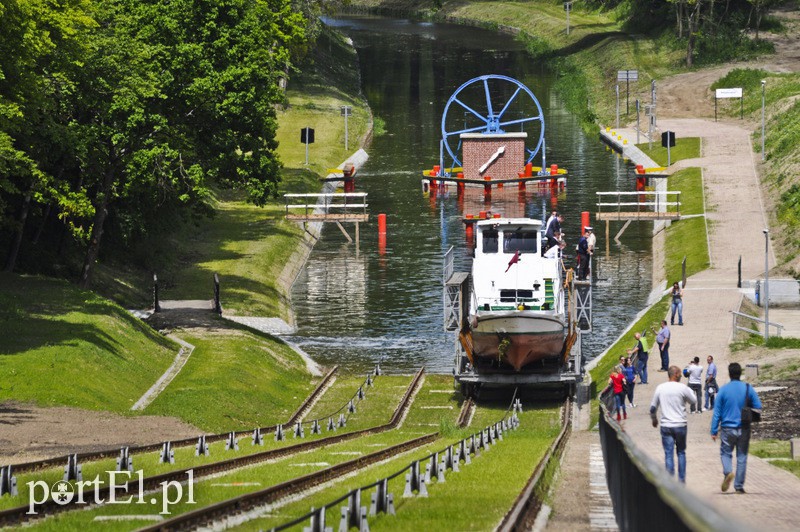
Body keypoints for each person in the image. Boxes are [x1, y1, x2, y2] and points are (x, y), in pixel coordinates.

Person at [711, 362, 763, 494]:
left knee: (725, 452)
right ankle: (739, 486)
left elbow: (717, 412)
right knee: (742, 455)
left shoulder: (723, 390)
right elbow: (758, 406)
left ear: (729, 374)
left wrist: (713, 430)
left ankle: (728, 472)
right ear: (740, 373)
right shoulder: (747, 388)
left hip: (727, 427)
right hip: (744, 427)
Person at [650, 365, 697, 483]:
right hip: (680, 425)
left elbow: (652, 407)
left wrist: (654, 419)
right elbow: (693, 401)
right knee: (681, 452)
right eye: (680, 374)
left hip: (666, 426)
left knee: (668, 453)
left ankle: (670, 483)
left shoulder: (660, 388)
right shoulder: (683, 388)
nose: (681, 375)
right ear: (675, 374)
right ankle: (681, 481)